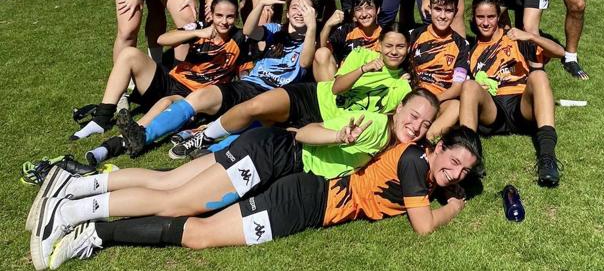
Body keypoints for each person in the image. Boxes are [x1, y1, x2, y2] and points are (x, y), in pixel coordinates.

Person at [33, 126, 482, 269]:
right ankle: (84, 219)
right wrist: (454, 205)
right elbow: (423, 226)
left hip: (296, 180)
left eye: (463, 172)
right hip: (303, 197)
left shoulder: (414, 157)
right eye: (453, 161)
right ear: (435, 145)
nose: (454, 173)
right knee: (192, 220)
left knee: (174, 191)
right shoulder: (413, 164)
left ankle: (87, 214)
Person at [116, 0, 317, 157]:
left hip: (274, 94)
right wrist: (262, 3)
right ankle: (143, 136)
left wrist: (311, 27)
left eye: (305, 8)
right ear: (288, 13)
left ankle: (210, 151)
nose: (300, 12)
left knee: (254, 122)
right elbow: (249, 29)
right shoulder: (274, 29)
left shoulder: (313, 42)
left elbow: (305, 62)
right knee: (201, 96)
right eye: (295, 7)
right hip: (246, 85)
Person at [167, 24, 413, 158]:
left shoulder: (403, 86)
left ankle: (211, 153)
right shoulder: (362, 55)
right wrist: (364, 69)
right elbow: (337, 88)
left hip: (325, 125)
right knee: (256, 107)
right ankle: (205, 136)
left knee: (266, 135)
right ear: (380, 45)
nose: (394, 51)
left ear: (407, 49)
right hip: (313, 96)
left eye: (400, 46)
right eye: (389, 45)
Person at [71, 0, 246, 151]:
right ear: (212, 14)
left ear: (236, 17)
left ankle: (130, 136)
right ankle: (101, 118)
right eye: (219, 15)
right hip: (171, 80)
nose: (224, 21)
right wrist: (197, 33)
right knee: (129, 54)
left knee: (166, 101)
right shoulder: (200, 26)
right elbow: (162, 39)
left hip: (192, 95)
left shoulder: (240, 39)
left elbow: (245, 75)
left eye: (230, 16)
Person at [459, 0, 564, 187]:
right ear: (473, 18)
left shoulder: (516, 38)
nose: (485, 22)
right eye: (480, 17)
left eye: (491, 17)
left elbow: (560, 52)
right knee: (469, 86)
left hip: (520, 106)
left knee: (539, 75)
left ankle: (547, 159)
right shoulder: (471, 50)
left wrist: (531, 36)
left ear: (498, 17)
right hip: (494, 110)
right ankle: (469, 159)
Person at [410, 0, 470, 139]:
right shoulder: (414, 35)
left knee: (456, 107)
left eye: (448, 11)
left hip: (440, 99)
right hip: (413, 94)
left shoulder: (462, 45)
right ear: (429, 9)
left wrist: (435, 99)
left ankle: (425, 139)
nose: (442, 16)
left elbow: (457, 88)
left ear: (455, 12)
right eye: (438, 9)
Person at [314, 0, 382, 81]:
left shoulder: (386, 33)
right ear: (353, 13)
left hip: (374, 82)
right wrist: (328, 25)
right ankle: (331, 94)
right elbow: (319, 50)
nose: (364, 14)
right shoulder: (347, 30)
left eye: (368, 8)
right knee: (321, 53)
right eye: (358, 9)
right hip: (345, 82)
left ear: (378, 10)